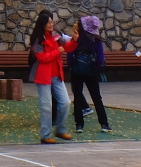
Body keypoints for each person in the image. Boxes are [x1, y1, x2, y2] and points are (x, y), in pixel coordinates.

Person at [27, 9, 74, 144]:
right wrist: (58, 51)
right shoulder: (37, 40)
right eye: (49, 23)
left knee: (65, 103)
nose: (52, 25)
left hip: (57, 75)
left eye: (52, 22)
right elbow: (43, 58)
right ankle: (46, 135)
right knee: (46, 106)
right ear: (42, 25)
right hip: (43, 77)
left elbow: (68, 46)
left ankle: (60, 129)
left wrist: (75, 41)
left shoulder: (56, 35)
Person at [69, 15, 110, 133]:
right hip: (91, 72)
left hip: (76, 71)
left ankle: (79, 125)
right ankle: (104, 124)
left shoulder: (76, 38)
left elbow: (70, 54)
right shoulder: (96, 40)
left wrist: (72, 66)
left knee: (77, 97)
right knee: (97, 97)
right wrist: (96, 68)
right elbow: (100, 58)